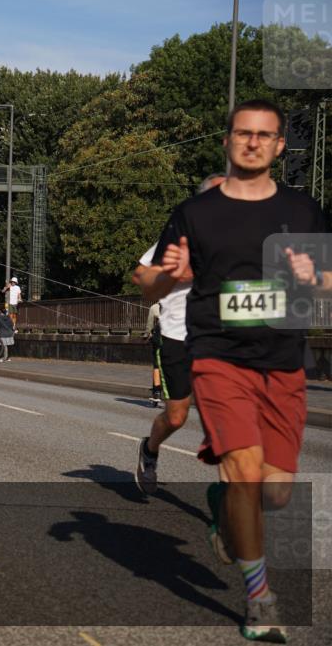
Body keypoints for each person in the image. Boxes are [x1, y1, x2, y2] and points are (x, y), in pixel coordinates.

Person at [145, 99, 330, 644]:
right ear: (228, 140)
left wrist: (311, 279)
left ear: (278, 146)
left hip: (282, 363)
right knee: (246, 473)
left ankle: (224, 506)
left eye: (264, 135)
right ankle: (260, 599)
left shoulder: (303, 212)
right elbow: (151, 283)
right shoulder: (196, 213)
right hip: (218, 358)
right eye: (242, 133)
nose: (252, 142)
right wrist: (167, 277)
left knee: (275, 493)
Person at [133, 172, 226, 494]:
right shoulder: (179, 239)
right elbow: (141, 274)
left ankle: (232, 499)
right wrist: (175, 273)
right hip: (178, 337)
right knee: (176, 417)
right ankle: (150, 449)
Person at [143, 301, 164, 406]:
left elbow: (150, 324)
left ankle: (156, 392)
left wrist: (146, 334)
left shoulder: (154, 307)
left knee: (157, 366)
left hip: (159, 340)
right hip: (175, 341)